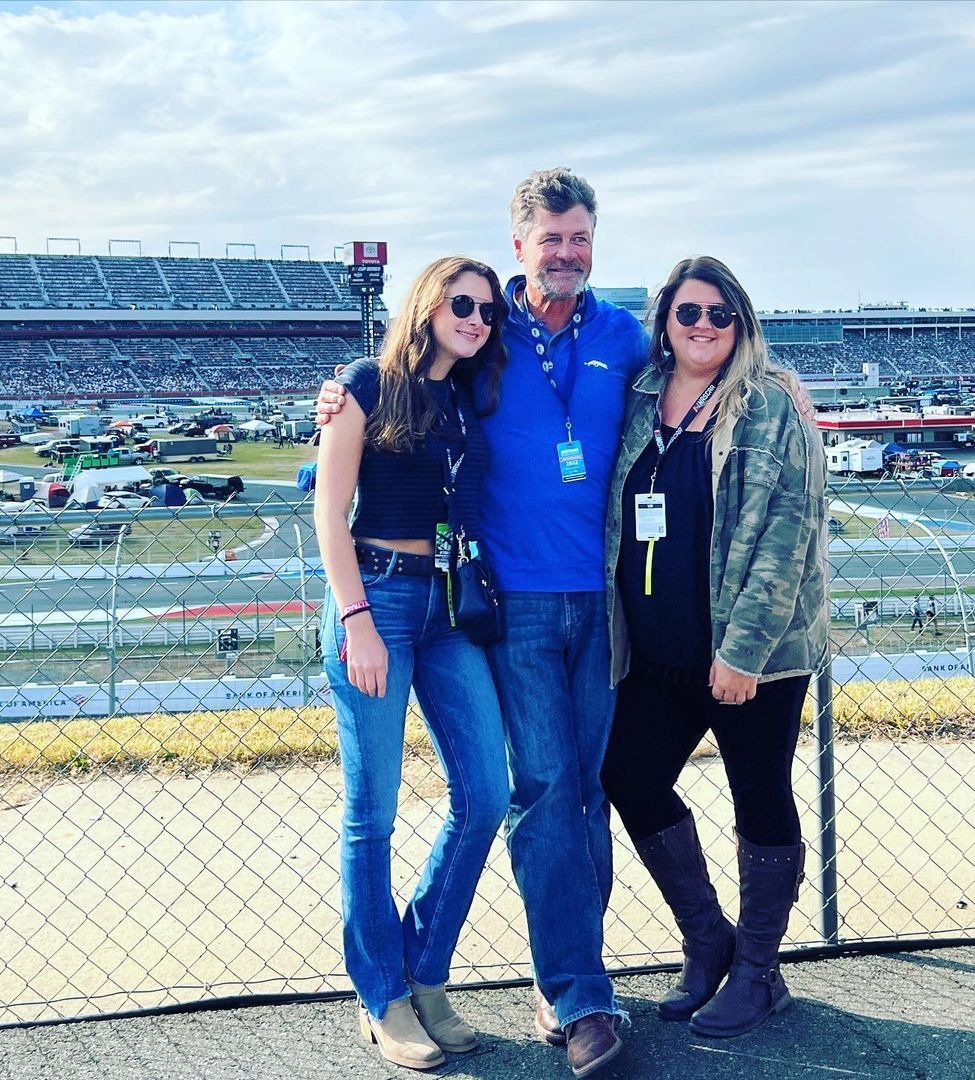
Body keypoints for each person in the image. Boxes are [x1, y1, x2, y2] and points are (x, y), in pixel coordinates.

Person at [318, 169, 649, 1079]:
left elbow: (710, 362)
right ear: (520, 247)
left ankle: (531, 979)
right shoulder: (475, 342)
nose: (569, 253)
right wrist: (355, 613)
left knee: (549, 793)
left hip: (557, 601)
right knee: (487, 796)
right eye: (552, 239)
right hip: (470, 602)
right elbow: (341, 489)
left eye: (581, 237)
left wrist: (781, 387)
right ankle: (538, 993)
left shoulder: (621, 334)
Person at [599, 256, 830, 1038]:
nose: (704, 327)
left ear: (743, 323)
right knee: (627, 773)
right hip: (659, 654)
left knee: (758, 793)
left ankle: (759, 972)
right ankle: (709, 939)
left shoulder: (769, 405)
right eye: (689, 313)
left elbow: (786, 536)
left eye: (720, 314)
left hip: (750, 654)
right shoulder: (638, 401)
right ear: (664, 319)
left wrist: (743, 654)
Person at [314, 256, 511, 1071]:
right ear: (428, 304)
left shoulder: (471, 395)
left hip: (449, 607)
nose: (475, 318)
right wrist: (357, 618)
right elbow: (328, 511)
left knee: (486, 793)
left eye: (488, 311)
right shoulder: (365, 381)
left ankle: (424, 972)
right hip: (377, 601)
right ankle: (381, 996)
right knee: (374, 813)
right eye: (461, 303)